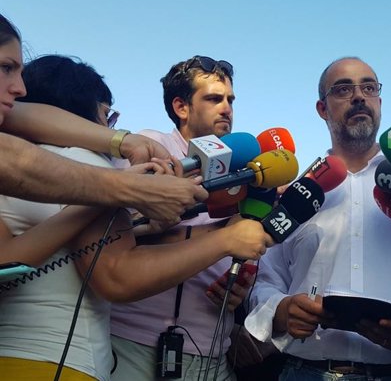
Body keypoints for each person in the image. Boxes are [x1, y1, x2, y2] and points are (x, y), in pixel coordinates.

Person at [0, 54, 273, 381]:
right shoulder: (91, 164)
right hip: (73, 363)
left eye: (230, 99)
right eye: (106, 115)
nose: (226, 108)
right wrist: (223, 239)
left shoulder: (22, 165)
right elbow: (116, 274)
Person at [245, 57, 391, 381]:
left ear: (379, 102)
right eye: (343, 89)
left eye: (368, 87)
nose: (358, 96)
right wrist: (280, 311)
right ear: (322, 108)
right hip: (305, 372)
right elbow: (266, 274)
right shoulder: (298, 194)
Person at [110, 55, 255, 381]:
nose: (227, 108)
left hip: (212, 355)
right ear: (181, 107)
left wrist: (241, 282)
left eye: (230, 100)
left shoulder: (246, 171)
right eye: (214, 99)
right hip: (135, 347)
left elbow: (246, 252)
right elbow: (111, 231)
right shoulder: (150, 148)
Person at [0, 13, 206, 222]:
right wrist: (135, 189)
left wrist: (125, 142)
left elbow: (21, 113)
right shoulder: (81, 157)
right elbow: (13, 159)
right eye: (5, 67)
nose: (20, 90)